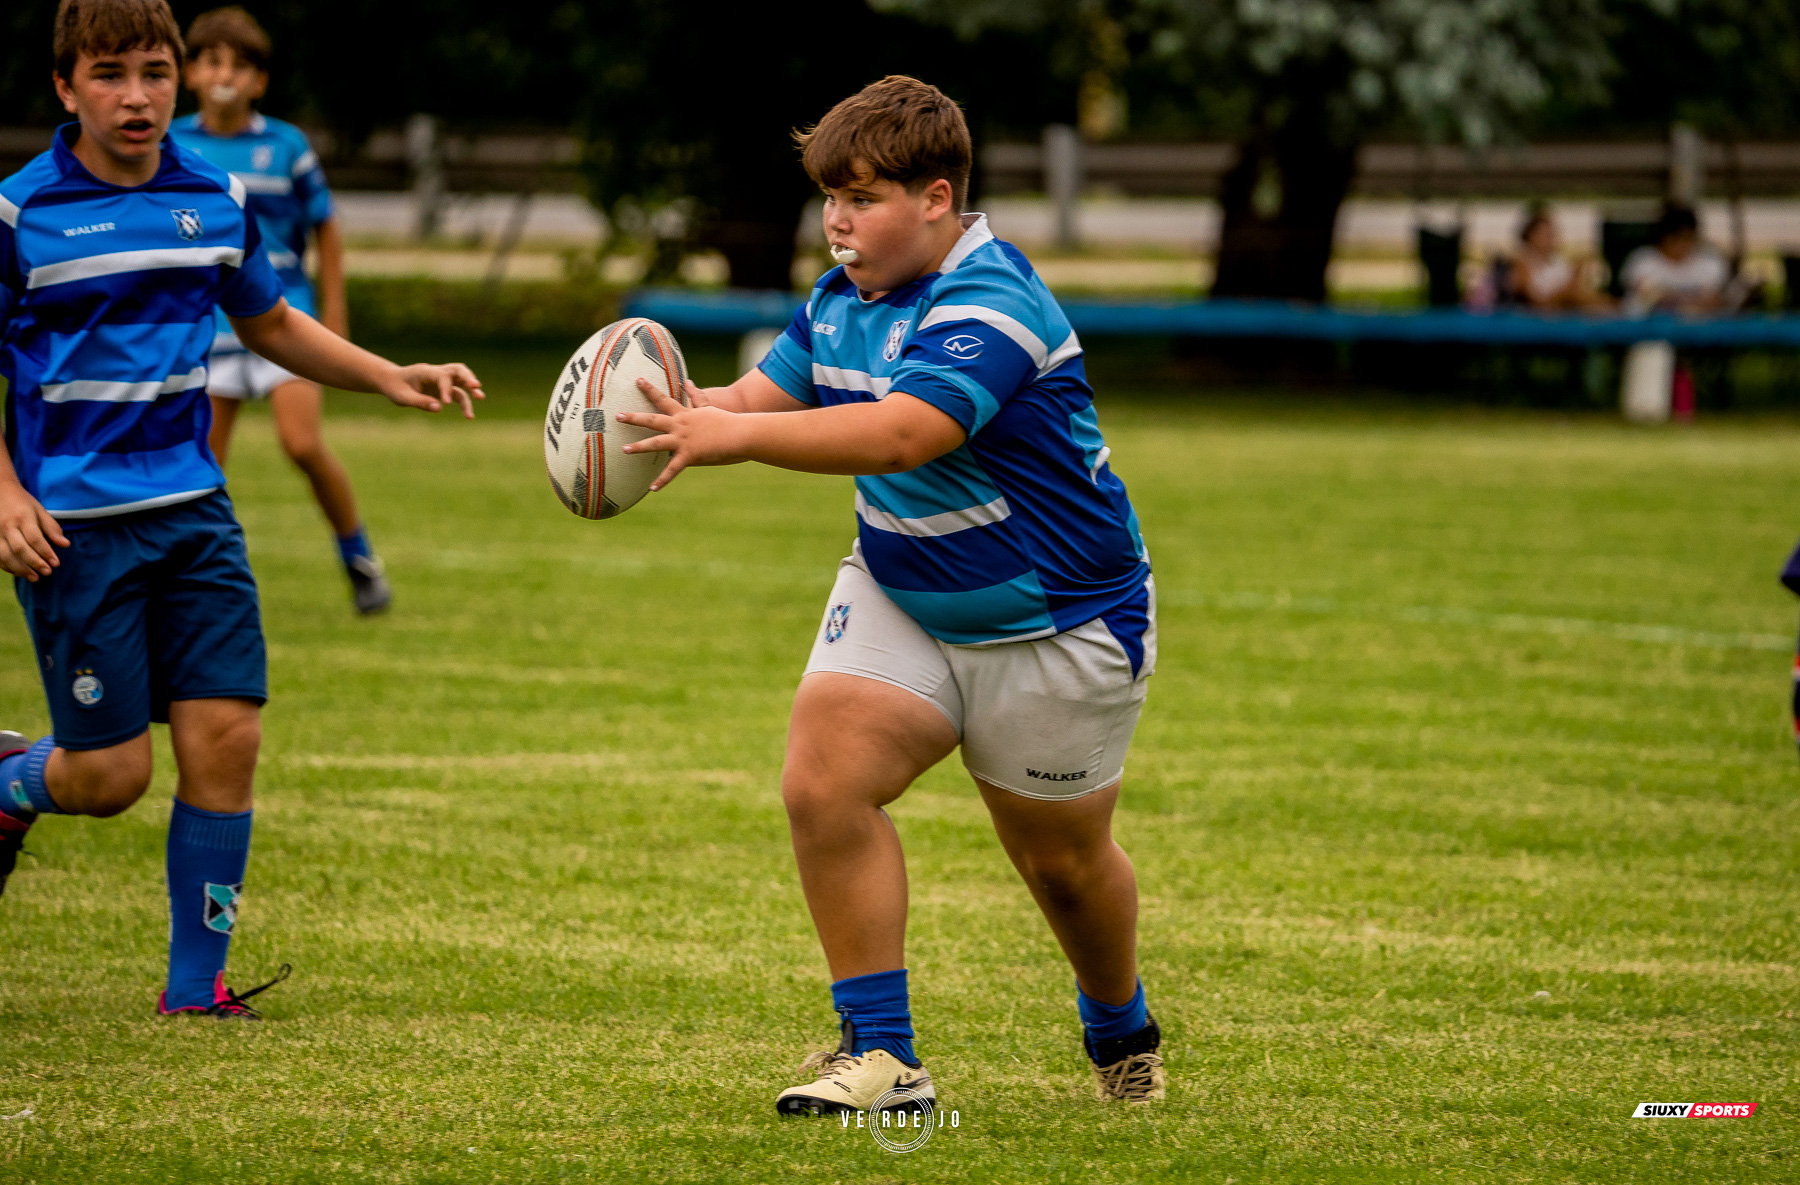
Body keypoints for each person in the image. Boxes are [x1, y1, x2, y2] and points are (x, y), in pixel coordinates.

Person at [615, 76, 1165, 1109]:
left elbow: (908, 431)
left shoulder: (993, 299)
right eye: (830, 197)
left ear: (937, 198)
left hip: (1055, 618)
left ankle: (1119, 1025)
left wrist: (735, 435)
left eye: (862, 198)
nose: (837, 221)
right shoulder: (838, 301)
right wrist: (655, 411)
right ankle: (882, 1057)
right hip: (903, 585)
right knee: (823, 780)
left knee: (1062, 867)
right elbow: (751, 400)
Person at [0, 0, 482, 1018]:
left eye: (155, 72)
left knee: (227, 739)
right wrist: (4, 492)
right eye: (109, 75)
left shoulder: (214, 198)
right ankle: (9, 777)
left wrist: (386, 373)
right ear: (65, 87)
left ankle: (195, 987)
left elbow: (268, 321)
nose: (137, 97)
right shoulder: (19, 213)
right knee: (111, 778)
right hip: (75, 530)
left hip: (196, 515)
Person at [167, 7, 389, 614]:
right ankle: (195, 583)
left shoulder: (286, 146)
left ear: (259, 82)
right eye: (213, 62)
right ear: (191, 73)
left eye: (240, 66)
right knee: (205, 466)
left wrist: (335, 317)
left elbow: (326, 226)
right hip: (212, 326)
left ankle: (359, 558)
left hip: (286, 316)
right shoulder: (173, 145)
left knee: (301, 444)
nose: (225, 75)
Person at [1620, 203, 1740, 315]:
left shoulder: (1711, 263)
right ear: (1663, 237)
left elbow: (1716, 300)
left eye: (1687, 238)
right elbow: (1643, 296)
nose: (1681, 245)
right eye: (1675, 238)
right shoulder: (1643, 261)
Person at [1504, 205, 1609, 310]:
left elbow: (1575, 289)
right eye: (1545, 234)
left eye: (1551, 233)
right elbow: (1535, 300)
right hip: (1542, 311)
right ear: (1531, 235)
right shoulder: (1523, 262)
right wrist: (1569, 287)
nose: (1550, 238)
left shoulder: (1557, 261)